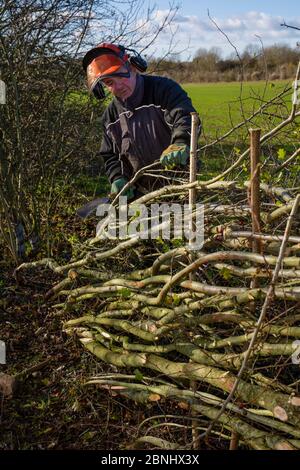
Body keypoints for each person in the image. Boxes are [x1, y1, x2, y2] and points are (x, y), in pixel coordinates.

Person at [82, 43, 199, 199]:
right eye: (110, 83)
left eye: (120, 75)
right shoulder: (111, 117)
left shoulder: (163, 90)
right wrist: (118, 177)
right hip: (141, 195)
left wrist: (181, 141)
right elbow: (111, 155)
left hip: (181, 187)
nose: (118, 86)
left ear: (133, 68)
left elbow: (185, 116)